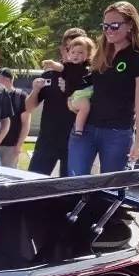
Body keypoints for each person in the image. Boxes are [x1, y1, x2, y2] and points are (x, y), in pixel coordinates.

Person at [68, 2, 139, 176]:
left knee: (111, 185)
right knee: (75, 182)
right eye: (105, 26)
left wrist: (138, 142)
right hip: (86, 129)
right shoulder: (101, 53)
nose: (109, 30)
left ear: (130, 25)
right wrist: (71, 101)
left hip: (117, 132)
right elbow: (86, 85)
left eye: (115, 25)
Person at [26, 28, 88, 175]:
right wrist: (35, 90)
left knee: (70, 187)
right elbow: (29, 107)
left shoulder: (89, 76)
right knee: (34, 182)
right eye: (69, 48)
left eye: (79, 50)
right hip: (47, 140)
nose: (73, 53)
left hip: (75, 141)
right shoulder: (49, 74)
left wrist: (70, 90)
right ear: (62, 49)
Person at [0, 68, 30, 168]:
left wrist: (19, 145)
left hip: (10, 146)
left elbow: (26, 124)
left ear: (8, 80)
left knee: (7, 173)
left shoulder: (21, 97)